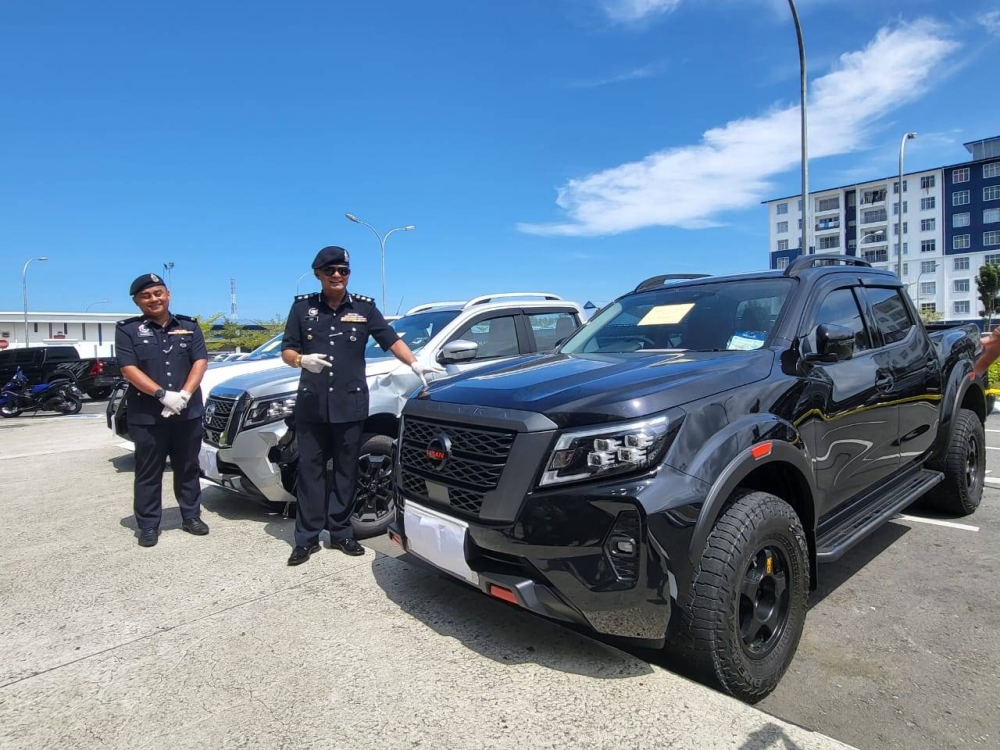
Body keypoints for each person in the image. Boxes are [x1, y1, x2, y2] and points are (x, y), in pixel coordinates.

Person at [281, 245, 444, 565]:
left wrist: (415, 363)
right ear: (318, 274)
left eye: (343, 270)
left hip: (350, 402)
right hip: (312, 405)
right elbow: (287, 350)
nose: (338, 276)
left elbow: (391, 339)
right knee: (310, 472)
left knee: (345, 471)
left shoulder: (364, 308)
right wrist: (302, 360)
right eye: (330, 271)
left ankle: (341, 533)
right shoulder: (302, 309)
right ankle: (306, 538)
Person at [115, 273, 210, 547]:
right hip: (147, 416)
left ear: (168, 295)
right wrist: (162, 394)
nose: (153, 299)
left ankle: (191, 516)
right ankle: (148, 525)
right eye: (146, 296)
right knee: (148, 471)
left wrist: (183, 394)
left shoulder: (189, 326)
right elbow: (128, 368)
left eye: (158, 293)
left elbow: (200, 361)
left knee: (188, 467)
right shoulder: (128, 329)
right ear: (137, 302)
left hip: (187, 412)